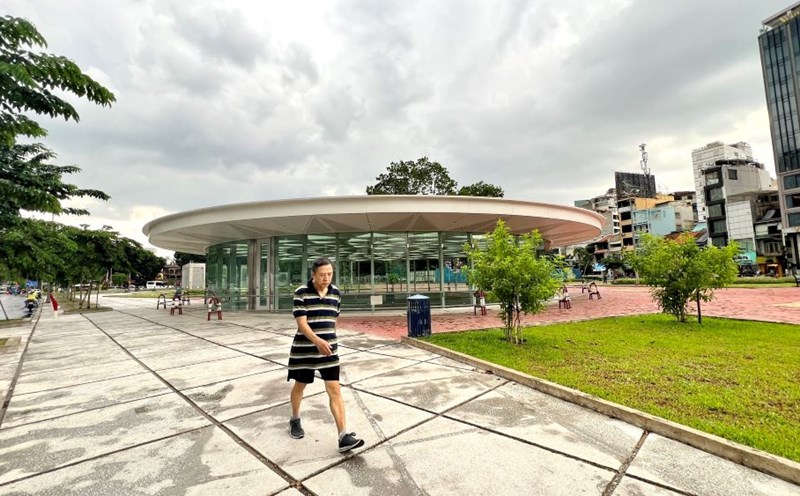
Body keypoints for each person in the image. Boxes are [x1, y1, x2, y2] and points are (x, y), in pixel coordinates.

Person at [287, 257, 365, 453]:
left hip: (329, 350)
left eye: (329, 274)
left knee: (334, 390)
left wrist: (328, 341)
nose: (326, 278)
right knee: (300, 386)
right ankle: (295, 419)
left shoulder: (336, 293)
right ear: (313, 274)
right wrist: (317, 341)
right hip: (305, 350)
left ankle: (343, 436)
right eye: (322, 275)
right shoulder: (301, 293)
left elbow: (333, 320)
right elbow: (302, 324)